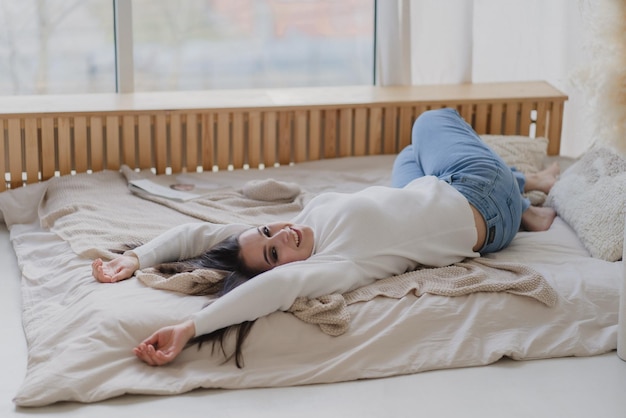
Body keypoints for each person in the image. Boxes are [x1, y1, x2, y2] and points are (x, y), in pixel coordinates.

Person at [92, 108, 559, 367]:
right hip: (479, 198)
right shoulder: (335, 265)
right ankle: (522, 192)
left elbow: (201, 231)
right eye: (275, 251)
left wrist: (137, 258)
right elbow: (268, 289)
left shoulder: (302, 220)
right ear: (291, 268)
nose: (282, 233)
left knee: (410, 153)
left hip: (433, 192)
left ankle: (524, 200)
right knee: (431, 120)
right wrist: (188, 328)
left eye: (266, 231)